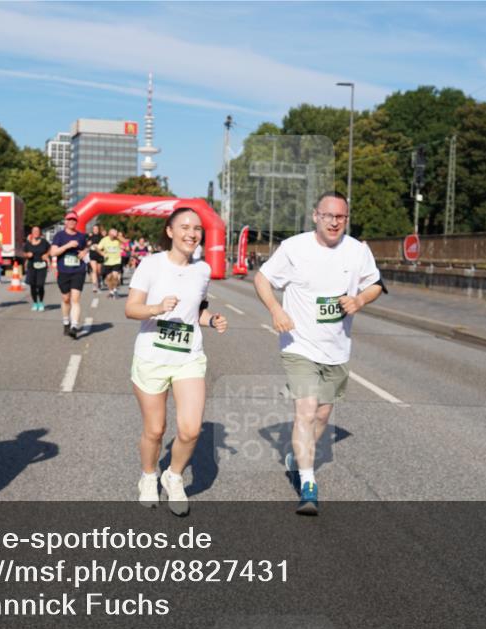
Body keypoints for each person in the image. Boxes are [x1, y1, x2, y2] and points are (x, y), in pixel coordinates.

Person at [254, 192, 385, 515]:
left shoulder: (357, 251)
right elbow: (262, 278)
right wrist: (274, 309)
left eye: (341, 217)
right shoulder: (294, 248)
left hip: (337, 349)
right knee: (307, 410)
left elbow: (376, 283)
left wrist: (360, 301)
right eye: (328, 215)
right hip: (298, 345)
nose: (334, 222)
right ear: (316, 216)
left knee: (323, 416)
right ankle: (308, 482)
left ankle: (298, 457)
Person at [125, 208, 227, 515]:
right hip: (151, 356)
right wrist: (156, 307)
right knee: (155, 430)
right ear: (170, 231)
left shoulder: (203, 270)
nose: (191, 233)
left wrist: (212, 320)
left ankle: (174, 475)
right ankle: (148, 475)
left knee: (191, 429)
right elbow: (131, 309)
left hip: (188, 357)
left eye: (197, 228)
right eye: (184, 227)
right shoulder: (151, 265)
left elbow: (194, 312)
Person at [50, 212, 90, 337]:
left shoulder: (81, 236)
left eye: (74, 220)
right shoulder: (59, 236)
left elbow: (86, 248)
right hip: (63, 271)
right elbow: (53, 252)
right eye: (69, 219)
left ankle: (74, 326)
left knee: (75, 299)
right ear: (65, 222)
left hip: (78, 270)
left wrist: (85, 252)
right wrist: (68, 245)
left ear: (76, 222)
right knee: (66, 299)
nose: (72, 221)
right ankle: (66, 322)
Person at [23, 225, 50, 311]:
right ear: (32, 233)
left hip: (42, 266)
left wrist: (47, 254)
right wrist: (27, 255)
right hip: (31, 266)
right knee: (33, 286)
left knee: (40, 285)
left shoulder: (44, 242)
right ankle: (35, 303)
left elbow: (50, 249)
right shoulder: (28, 243)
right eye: (34, 231)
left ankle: (41, 302)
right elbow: (23, 253)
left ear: (40, 233)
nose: (36, 232)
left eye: (37, 231)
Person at [97, 227, 124, 298]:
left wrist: (118, 237)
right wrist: (102, 254)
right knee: (109, 278)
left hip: (116, 261)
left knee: (115, 276)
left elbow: (125, 242)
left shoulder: (118, 239)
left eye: (114, 235)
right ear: (109, 234)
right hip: (107, 262)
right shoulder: (104, 240)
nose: (113, 236)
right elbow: (98, 248)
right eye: (112, 234)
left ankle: (115, 290)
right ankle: (111, 291)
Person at [88, 224, 104, 293]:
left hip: (100, 255)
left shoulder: (102, 237)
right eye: (94, 229)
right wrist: (89, 243)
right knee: (94, 270)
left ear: (98, 229)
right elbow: (87, 244)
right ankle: (95, 285)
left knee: (98, 271)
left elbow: (104, 245)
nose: (95, 230)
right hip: (92, 255)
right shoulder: (90, 237)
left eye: (96, 229)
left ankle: (100, 281)